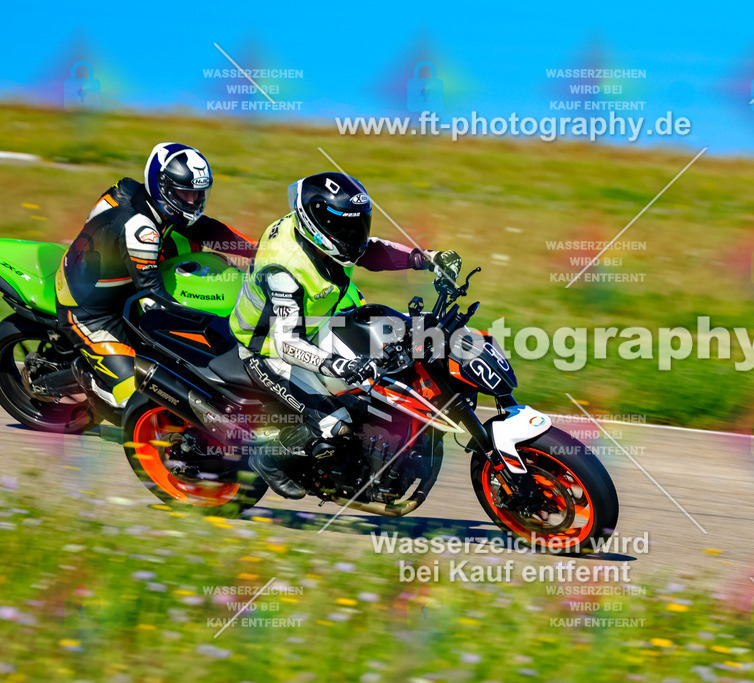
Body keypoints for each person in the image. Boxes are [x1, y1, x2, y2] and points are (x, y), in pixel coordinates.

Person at [230, 171, 460, 499]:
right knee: (334, 425)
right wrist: (338, 366)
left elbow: (372, 252)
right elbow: (287, 344)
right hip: (266, 348)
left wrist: (424, 260)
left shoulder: (326, 236)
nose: (355, 235)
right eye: (345, 227)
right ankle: (270, 458)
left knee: (390, 355)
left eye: (358, 224)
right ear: (317, 224)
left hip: (316, 320)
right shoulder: (285, 270)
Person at [56, 142, 257, 409]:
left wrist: (259, 252)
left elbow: (207, 230)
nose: (193, 202)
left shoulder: (137, 194)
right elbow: (153, 297)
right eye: (186, 194)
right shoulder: (141, 230)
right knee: (135, 396)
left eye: (198, 194)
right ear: (162, 187)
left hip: (118, 285)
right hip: (90, 311)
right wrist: (210, 323)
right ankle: (87, 379)